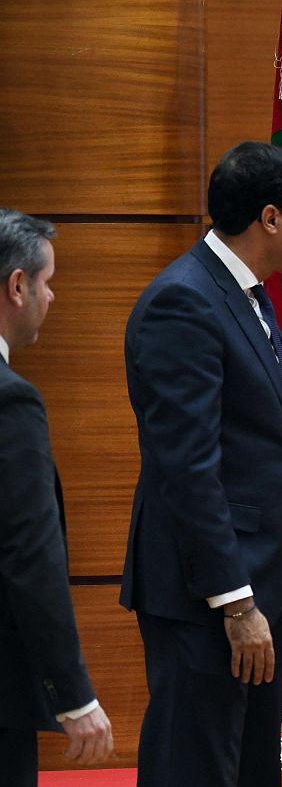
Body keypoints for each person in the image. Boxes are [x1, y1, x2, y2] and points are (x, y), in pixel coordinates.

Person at [121, 142, 282, 786]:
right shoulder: (182, 302)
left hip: (259, 583)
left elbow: (243, 435)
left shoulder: (248, 294)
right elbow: (186, 467)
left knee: (245, 769)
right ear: (269, 218)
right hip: (210, 595)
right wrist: (236, 604)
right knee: (195, 766)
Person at [0, 210, 114, 783]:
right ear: (16, 286)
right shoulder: (11, 401)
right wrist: (72, 695)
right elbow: (29, 557)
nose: (53, 296)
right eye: (46, 282)